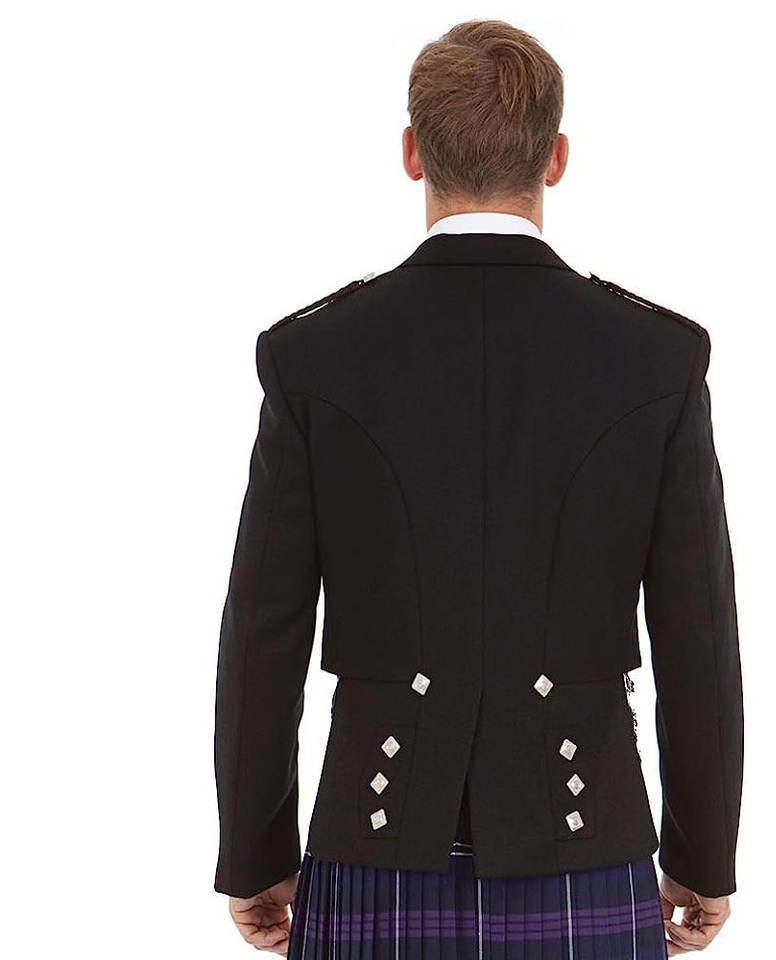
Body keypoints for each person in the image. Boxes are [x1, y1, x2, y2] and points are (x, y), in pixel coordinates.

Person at [214, 18, 743, 959]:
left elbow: (264, 634)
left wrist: (256, 853)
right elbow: (697, 636)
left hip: (372, 846)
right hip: (588, 845)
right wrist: (703, 855)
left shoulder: (315, 355)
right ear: (557, 158)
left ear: (412, 152)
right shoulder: (655, 359)